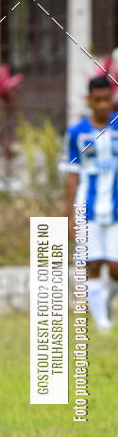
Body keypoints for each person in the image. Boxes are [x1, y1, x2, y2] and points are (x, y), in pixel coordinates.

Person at [62, 74, 118, 332]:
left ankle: (106, 300)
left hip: (115, 208)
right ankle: (104, 325)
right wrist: (69, 216)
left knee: (116, 268)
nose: (104, 105)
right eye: (98, 100)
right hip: (89, 209)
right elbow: (72, 174)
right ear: (89, 101)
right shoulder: (76, 133)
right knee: (92, 264)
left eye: (108, 99)